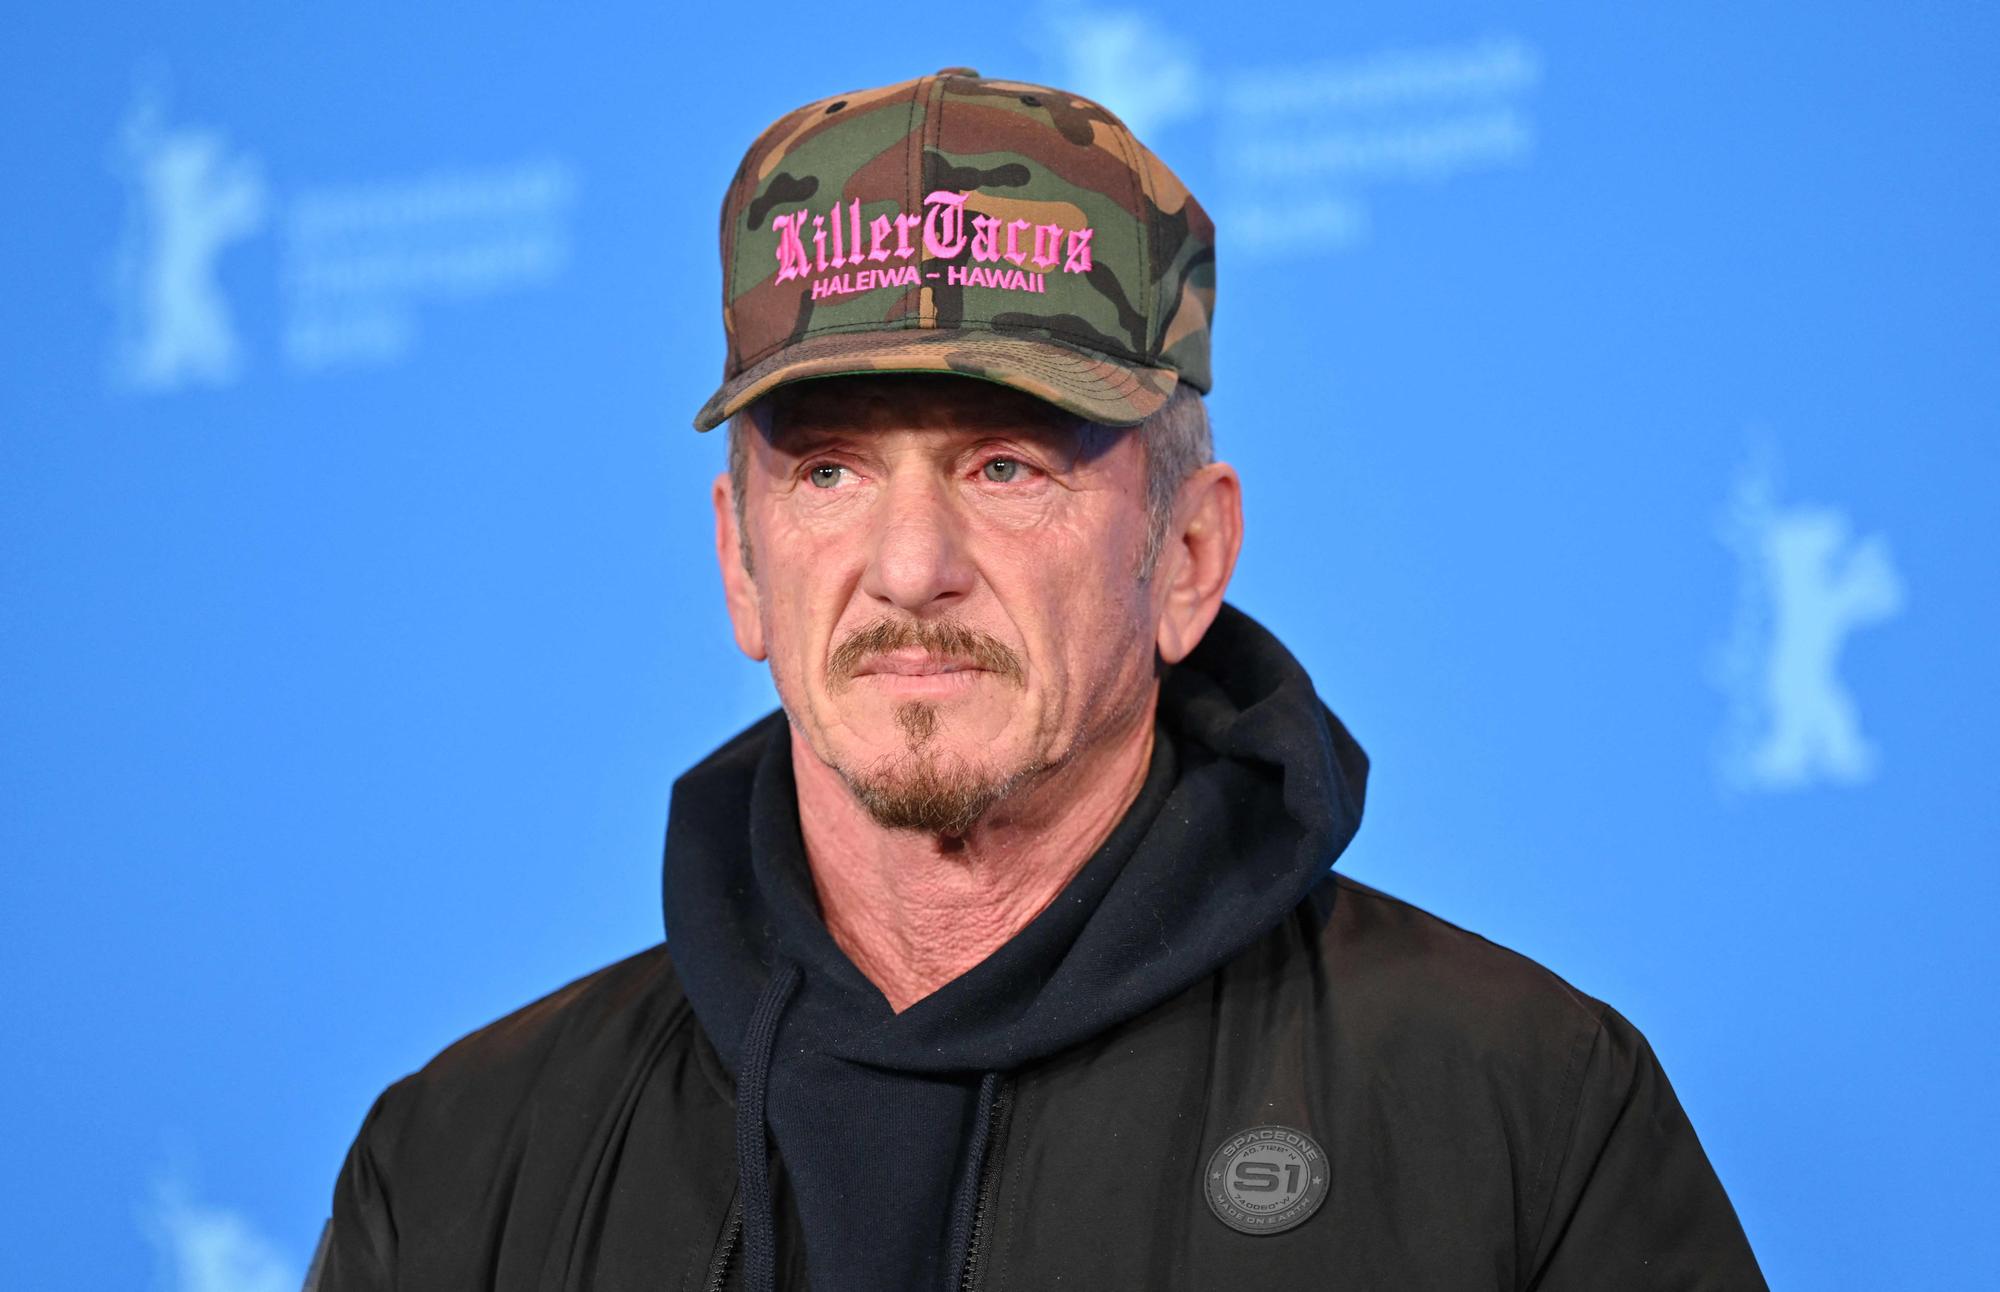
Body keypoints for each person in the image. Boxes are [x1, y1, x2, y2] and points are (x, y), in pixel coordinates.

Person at [309, 68, 1767, 1291]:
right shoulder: (458, 1168)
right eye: (828, 471)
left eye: (1004, 466)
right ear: (742, 564)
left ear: (1189, 553)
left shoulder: (1517, 1110)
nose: (910, 565)